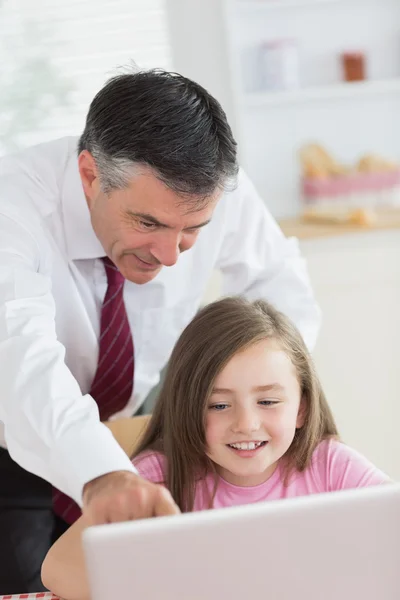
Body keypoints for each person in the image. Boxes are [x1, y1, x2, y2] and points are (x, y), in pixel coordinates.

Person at [0, 68, 321, 593]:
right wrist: (101, 474)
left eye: (192, 230)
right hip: (13, 437)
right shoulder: (11, 209)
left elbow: (279, 283)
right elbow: (23, 363)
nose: (170, 256)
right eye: (148, 224)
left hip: (142, 418)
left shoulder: (214, 188)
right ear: (89, 174)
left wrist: (271, 399)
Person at [41, 296, 390, 600]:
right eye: (218, 405)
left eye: (268, 401)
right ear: (186, 408)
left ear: (301, 408)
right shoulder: (157, 478)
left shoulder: (329, 464)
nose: (246, 423)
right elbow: (59, 572)